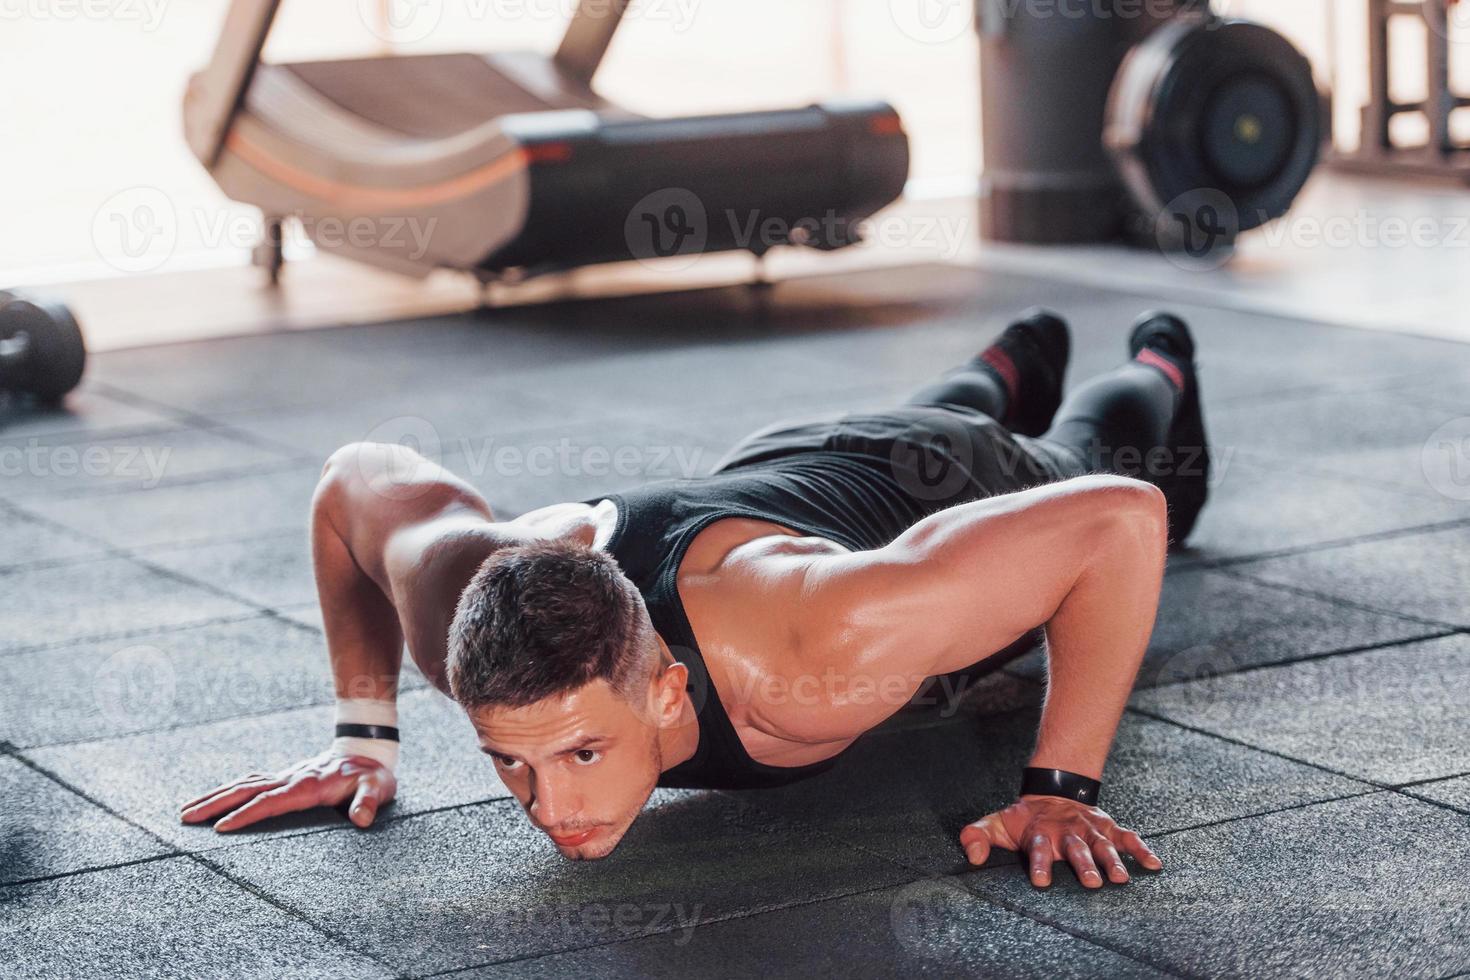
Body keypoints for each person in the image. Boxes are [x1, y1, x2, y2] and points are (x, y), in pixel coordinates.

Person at [181, 309, 1210, 890]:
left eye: (582, 751)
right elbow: (352, 476)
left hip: (938, 485)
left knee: (1102, 458)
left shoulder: (822, 648)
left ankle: (1157, 354)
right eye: (512, 762)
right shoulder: (460, 608)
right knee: (924, 414)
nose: (552, 809)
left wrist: (1060, 784)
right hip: (776, 465)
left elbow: (1115, 522)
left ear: (672, 693)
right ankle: (1003, 358)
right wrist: (366, 735)